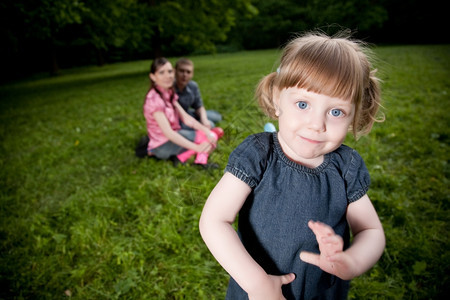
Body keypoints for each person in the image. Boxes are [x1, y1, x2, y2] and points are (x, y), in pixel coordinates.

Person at [199, 31, 386, 299]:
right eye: (302, 104)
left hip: (320, 292)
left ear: (355, 114)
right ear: (277, 98)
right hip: (258, 290)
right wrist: (257, 283)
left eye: (336, 112)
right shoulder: (258, 155)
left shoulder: (346, 167)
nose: (316, 124)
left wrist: (352, 261)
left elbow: (371, 230)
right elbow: (214, 220)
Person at [143, 57, 221, 167]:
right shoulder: (154, 100)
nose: (168, 76)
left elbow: (186, 118)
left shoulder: (169, 92)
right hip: (162, 145)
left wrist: (206, 130)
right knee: (206, 141)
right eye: (161, 73)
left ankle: (180, 158)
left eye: (170, 71)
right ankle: (199, 162)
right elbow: (169, 133)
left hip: (176, 134)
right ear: (153, 77)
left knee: (209, 135)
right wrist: (196, 147)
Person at [174, 58, 222, 129]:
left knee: (217, 117)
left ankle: (200, 122)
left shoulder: (193, 86)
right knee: (211, 125)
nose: (185, 75)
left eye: (188, 72)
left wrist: (204, 119)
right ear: (175, 71)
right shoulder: (169, 87)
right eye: (181, 71)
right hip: (176, 119)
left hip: (189, 113)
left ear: (192, 74)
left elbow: (199, 106)